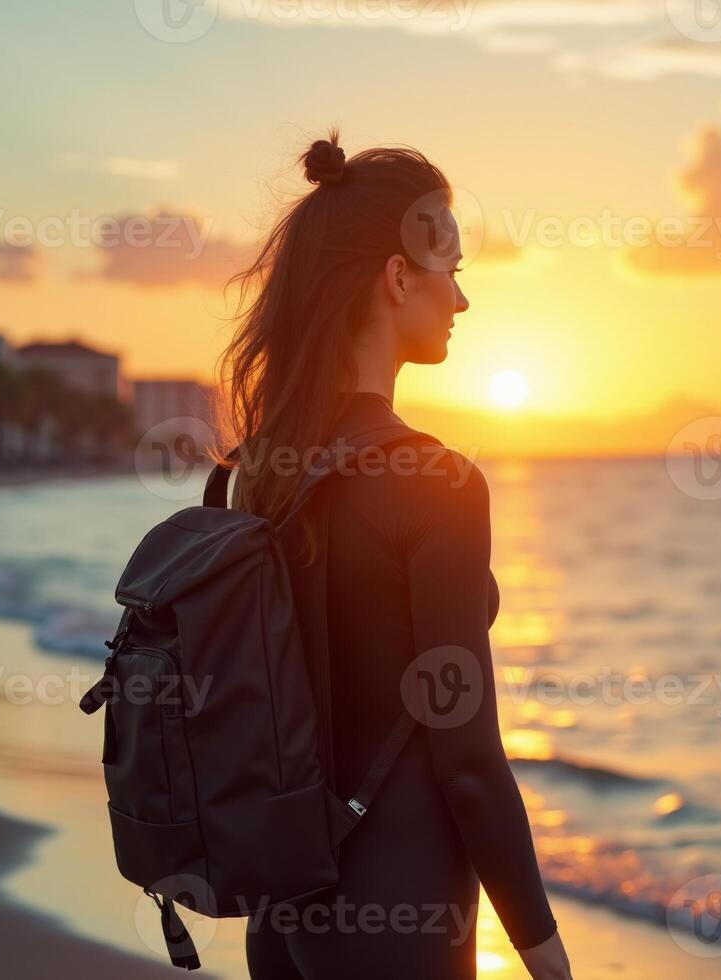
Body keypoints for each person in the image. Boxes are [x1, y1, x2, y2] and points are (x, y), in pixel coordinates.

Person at [221, 131, 574, 980]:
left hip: (282, 914)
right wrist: (543, 949)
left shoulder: (260, 471)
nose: (461, 301)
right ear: (396, 277)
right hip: (398, 914)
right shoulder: (439, 483)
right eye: (450, 272)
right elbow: (469, 761)